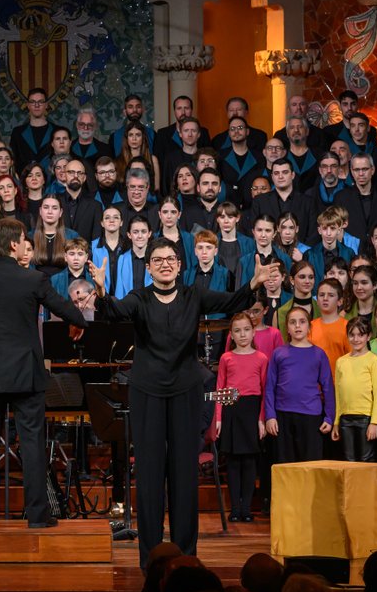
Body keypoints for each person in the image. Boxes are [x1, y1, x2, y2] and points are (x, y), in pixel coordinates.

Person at [87, 238, 271, 566]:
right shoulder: (139, 298)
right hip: (148, 392)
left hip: (185, 391)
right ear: (149, 267)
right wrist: (101, 291)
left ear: (179, 264)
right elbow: (114, 313)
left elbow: (230, 303)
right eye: (158, 260)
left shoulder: (193, 295)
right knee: (150, 473)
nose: (165, 264)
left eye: (170, 259)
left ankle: (186, 556)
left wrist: (253, 283)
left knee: (184, 474)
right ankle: (153, 557)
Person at [0, 218, 87, 529]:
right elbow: (70, 311)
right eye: (25, 239)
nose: (28, 243)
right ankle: (39, 515)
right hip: (26, 372)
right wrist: (77, 322)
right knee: (32, 443)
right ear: (13, 244)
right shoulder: (33, 280)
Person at [264, 307, 335, 463]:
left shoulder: (319, 354)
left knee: (310, 465)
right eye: (292, 322)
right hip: (283, 415)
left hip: (311, 416)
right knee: (285, 466)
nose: (297, 326)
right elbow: (270, 387)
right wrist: (270, 416)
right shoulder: (279, 353)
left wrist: (329, 417)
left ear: (309, 327)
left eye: (302, 322)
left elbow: (328, 387)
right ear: (287, 328)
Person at [216, 312, 268, 523]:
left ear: (253, 332)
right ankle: (235, 508)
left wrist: (262, 419)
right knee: (233, 462)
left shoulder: (261, 358)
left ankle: (246, 508)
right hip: (231, 409)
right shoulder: (226, 358)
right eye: (237, 331)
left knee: (249, 462)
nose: (243, 334)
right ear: (231, 335)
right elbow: (220, 387)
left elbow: (265, 391)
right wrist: (218, 418)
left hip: (252, 410)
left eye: (246, 329)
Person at [332, 317, 377, 462]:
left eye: (360, 335)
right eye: (352, 335)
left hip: (365, 418)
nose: (356, 339)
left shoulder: (372, 360)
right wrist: (336, 422)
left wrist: (374, 422)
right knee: (349, 460)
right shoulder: (341, 362)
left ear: (369, 336)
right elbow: (338, 395)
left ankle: (366, 486)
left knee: (366, 460)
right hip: (345, 418)